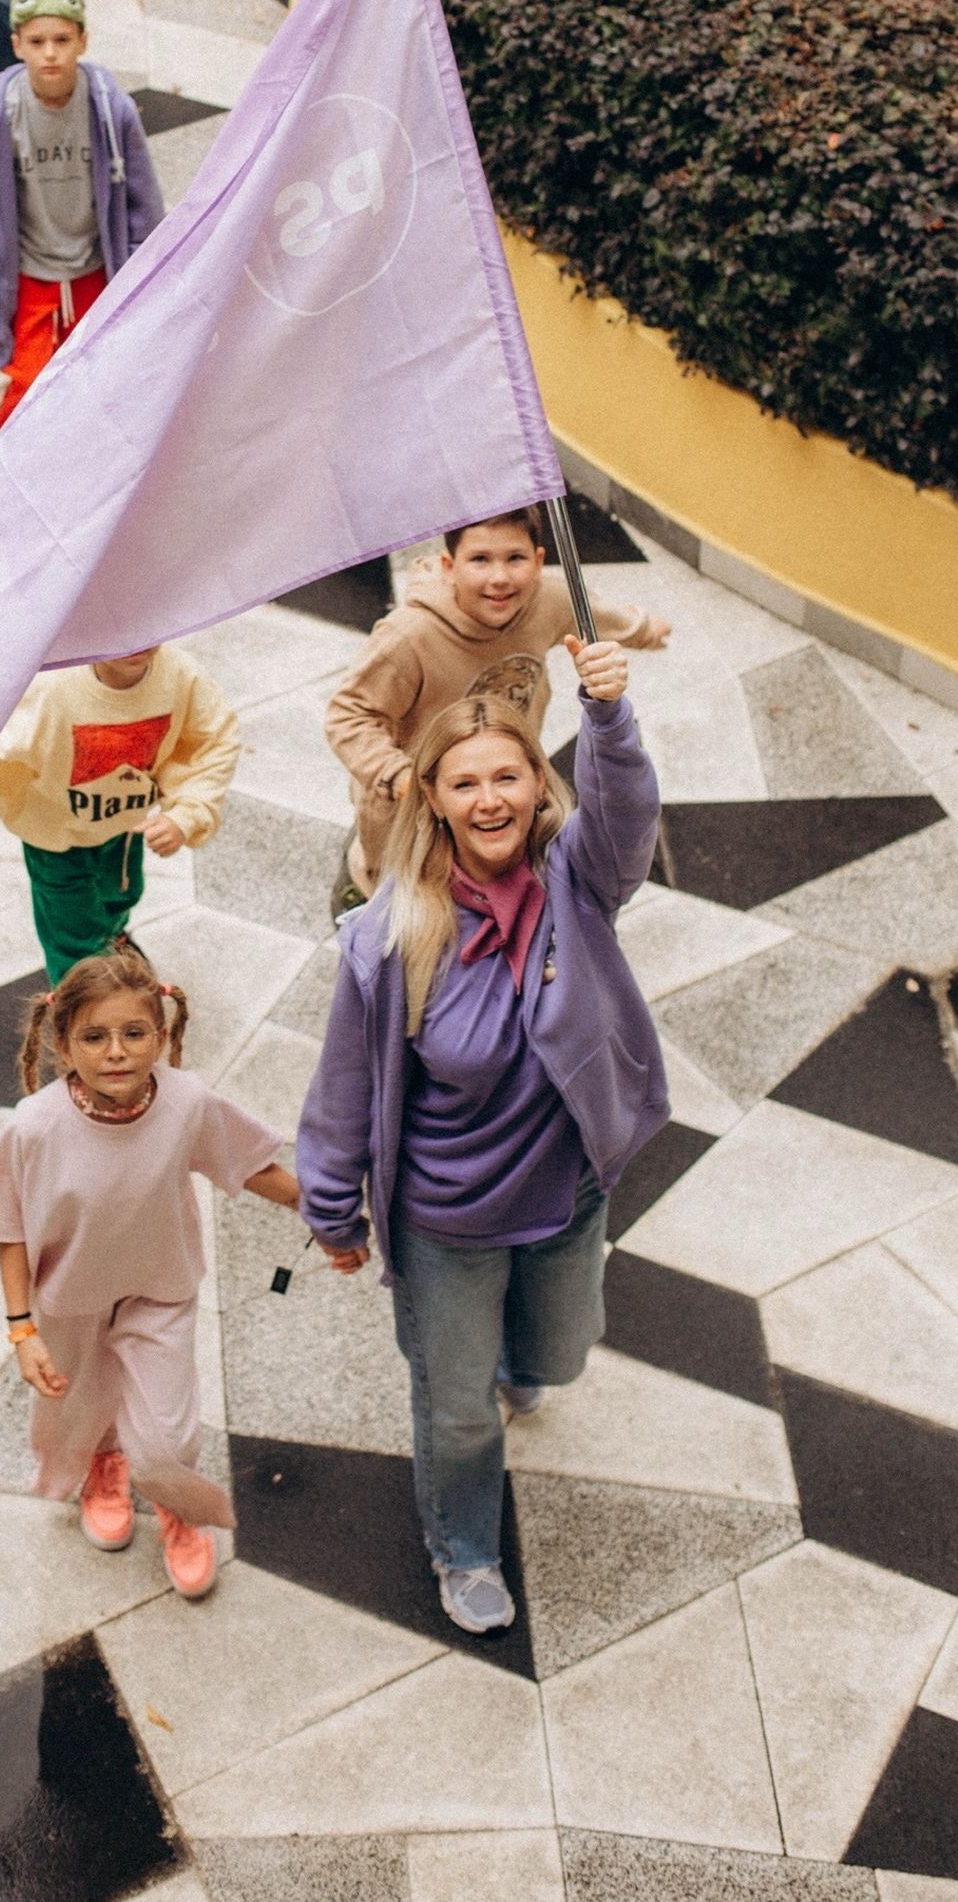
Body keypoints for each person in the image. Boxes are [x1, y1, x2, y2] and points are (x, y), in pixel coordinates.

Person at [296, 639, 668, 1636]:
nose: (492, 797)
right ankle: (461, 1547)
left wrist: (608, 718)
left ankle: (519, 1357)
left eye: (509, 774)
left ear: (536, 785)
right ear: (435, 799)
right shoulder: (388, 934)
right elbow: (341, 1089)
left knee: (556, 1353)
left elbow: (628, 817)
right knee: (458, 1406)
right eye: (468, 781)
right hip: (447, 1219)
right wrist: (334, 1210)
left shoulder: (577, 883)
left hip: (567, 1193)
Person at [0, 946, 302, 1598]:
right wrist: (22, 1329)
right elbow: (10, 1225)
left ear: (162, 1035)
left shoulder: (188, 1101)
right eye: (95, 1035)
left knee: (168, 1429)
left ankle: (176, 1503)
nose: (116, 1050)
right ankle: (103, 1463)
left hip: (159, 1290)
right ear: (63, 1043)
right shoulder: (35, 1125)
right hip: (67, 1300)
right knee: (76, 1407)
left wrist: (323, 1208)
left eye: (134, 1032)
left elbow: (243, 1163)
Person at [325, 507, 671, 901]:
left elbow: (595, 615)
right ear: (449, 565)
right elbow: (347, 715)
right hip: (413, 805)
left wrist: (645, 630)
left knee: (491, 884)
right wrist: (401, 779)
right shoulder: (409, 636)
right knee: (406, 896)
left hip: (497, 784)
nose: (500, 578)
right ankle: (358, 889)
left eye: (515, 559)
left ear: (538, 561)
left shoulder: (549, 599)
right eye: (479, 560)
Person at [0, 0, 164, 432]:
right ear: (17, 45)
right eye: (37, 41)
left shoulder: (111, 109)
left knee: (98, 378)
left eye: (62, 40)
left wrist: (139, 261)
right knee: (26, 388)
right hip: (31, 274)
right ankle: (9, 475)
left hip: (95, 268)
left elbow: (142, 194)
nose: (50, 52)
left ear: (82, 41)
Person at [0, 642, 239, 984]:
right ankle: (82, 1007)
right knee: (73, 934)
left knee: (120, 896)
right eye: (122, 629)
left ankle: (112, 938)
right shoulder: (48, 684)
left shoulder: (179, 675)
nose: (139, 640)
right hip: (53, 835)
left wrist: (187, 813)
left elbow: (212, 741)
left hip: (125, 825)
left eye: (150, 622)